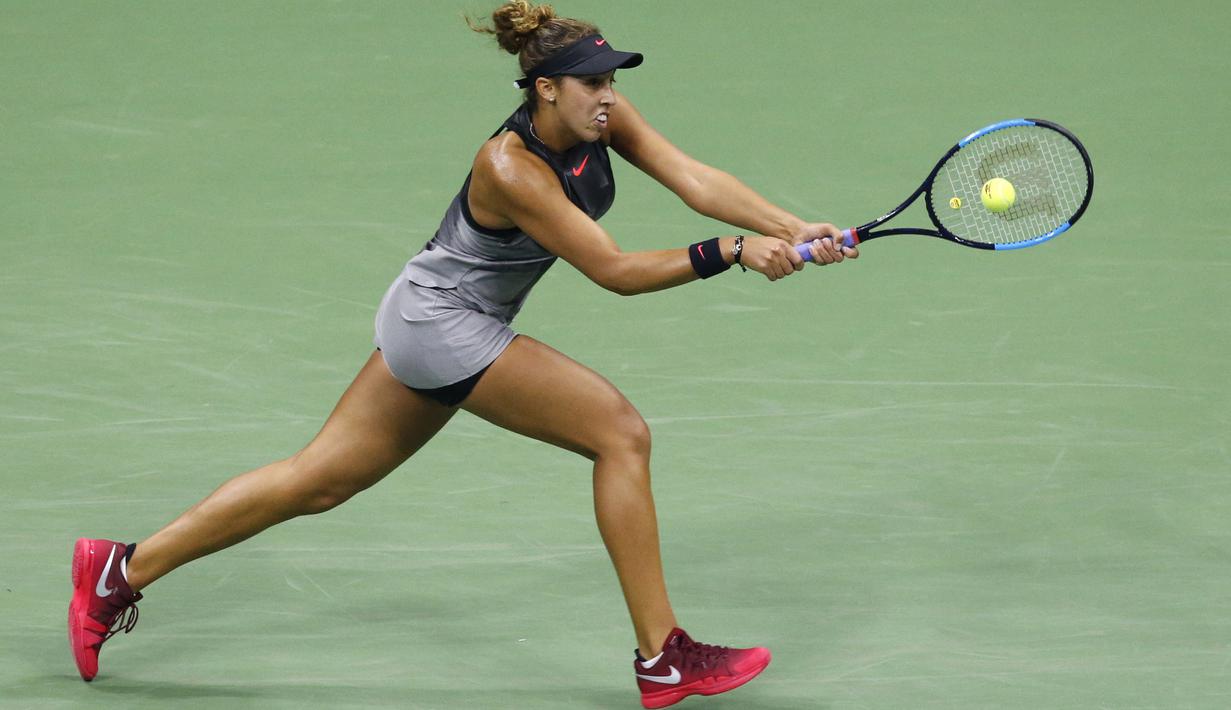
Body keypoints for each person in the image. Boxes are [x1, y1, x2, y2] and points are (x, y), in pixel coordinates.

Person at [67, 2, 857, 707]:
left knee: (317, 483)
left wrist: (788, 227)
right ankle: (663, 659)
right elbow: (612, 271)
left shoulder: (603, 116)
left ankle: (119, 572)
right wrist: (731, 251)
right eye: (590, 83)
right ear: (546, 88)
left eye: (611, 79)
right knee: (620, 434)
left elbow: (691, 175)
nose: (607, 93)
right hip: (445, 325)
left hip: (427, 317)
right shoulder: (508, 166)